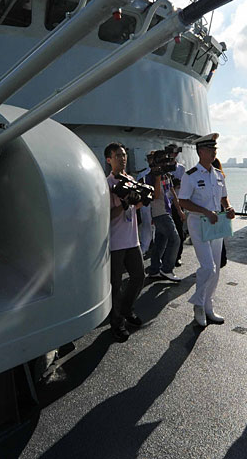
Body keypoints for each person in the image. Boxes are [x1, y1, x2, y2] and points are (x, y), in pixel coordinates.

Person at [178, 133, 236, 327]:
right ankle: (198, 305)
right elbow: (183, 201)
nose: (214, 152)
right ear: (201, 151)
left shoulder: (218, 174)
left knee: (216, 269)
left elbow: (223, 197)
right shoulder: (191, 175)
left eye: (215, 149)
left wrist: (228, 208)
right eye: (211, 149)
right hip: (199, 223)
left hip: (216, 223)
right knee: (208, 267)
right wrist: (205, 211)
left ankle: (208, 305)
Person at [104, 143, 146, 342]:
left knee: (139, 276)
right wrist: (123, 203)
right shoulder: (107, 184)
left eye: (123, 155)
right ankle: (116, 322)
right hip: (116, 242)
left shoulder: (130, 180)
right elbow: (107, 215)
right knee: (116, 284)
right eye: (117, 156)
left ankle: (126, 309)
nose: (122, 158)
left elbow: (135, 208)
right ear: (109, 160)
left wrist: (140, 199)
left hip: (132, 239)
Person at [144, 152, 183, 282]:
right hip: (159, 213)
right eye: (163, 162)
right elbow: (155, 196)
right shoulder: (150, 177)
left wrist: (179, 211)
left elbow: (172, 193)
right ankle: (167, 269)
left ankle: (154, 270)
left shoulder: (166, 175)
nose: (166, 164)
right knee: (175, 239)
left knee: (160, 243)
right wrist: (157, 178)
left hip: (167, 211)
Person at [166, 144, 187, 267]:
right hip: (165, 203)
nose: (173, 155)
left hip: (177, 203)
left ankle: (177, 256)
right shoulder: (163, 168)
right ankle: (166, 257)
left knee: (179, 231)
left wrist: (177, 184)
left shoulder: (181, 169)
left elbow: (184, 185)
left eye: (175, 153)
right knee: (166, 233)